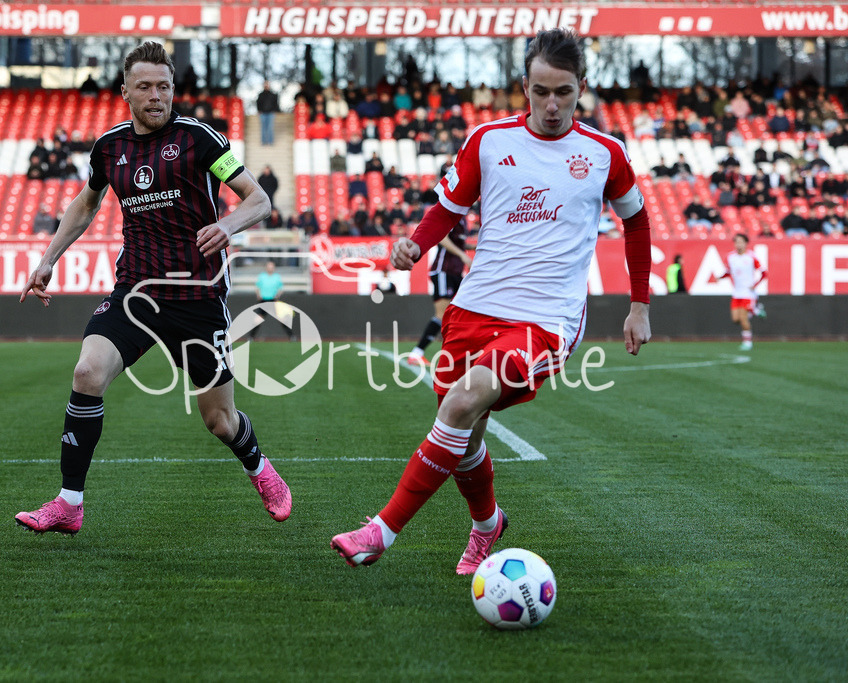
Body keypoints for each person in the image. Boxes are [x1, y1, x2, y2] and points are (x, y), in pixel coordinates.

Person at [331, 29, 651, 574]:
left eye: (564, 93)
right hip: (474, 306)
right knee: (462, 431)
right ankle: (487, 525)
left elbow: (636, 222)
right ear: (525, 87)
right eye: (541, 91)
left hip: (544, 319)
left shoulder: (605, 154)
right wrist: (417, 243)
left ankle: (379, 532)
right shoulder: (488, 140)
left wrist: (638, 304)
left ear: (582, 88)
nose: (553, 105)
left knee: (460, 404)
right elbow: (447, 208)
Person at [15, 41, 291, 535]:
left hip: (197, 297)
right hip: (136, 292)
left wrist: (228, 225)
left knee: (220, 421)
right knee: (87, 372)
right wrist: (48, 258)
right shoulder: (110, 148)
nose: (156, 95)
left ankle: (259, 467)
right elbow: (86, 203)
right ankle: (69, 504)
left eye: (164, 86)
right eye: (144, 87)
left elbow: (258, 199)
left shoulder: (199, 140)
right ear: (125, 92)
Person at [406, 218, 472, 366]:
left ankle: (460, 355)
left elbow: (458, 244)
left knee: (461, 313)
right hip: (444, 270)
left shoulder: (462, 219)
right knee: (442, 314)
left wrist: (473, 247)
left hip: (455, 272)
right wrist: (463, 255)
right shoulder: (454, 214)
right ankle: (416, 353)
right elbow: (442, 238)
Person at [720, 234, 766, 351]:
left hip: (748, 293)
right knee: (735, 319)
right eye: (736, 242)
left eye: (741, 242)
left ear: (746, 243)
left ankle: (747, 342)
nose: (738, 244)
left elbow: (764, 273)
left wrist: (755, 285)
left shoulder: (751, 257)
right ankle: (755, 310)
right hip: (737, 293)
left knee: (743, 318)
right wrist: (719, 278)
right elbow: (728, 272)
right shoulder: (731, 257)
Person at [251, 260, 294, 341]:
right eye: (269, 267)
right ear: (266, 268)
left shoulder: (277, 277)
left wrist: (277, 295)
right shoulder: (262, 276)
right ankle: (251, 337)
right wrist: (258, 295)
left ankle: (291, 336)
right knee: (258, 319)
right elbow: (257, 287)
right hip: (263, 301)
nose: (270, 268)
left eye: (272, 267)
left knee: (282, 319)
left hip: (273, 301)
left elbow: (281, 288)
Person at [256, 81, 280, 146]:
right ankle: (263, 142)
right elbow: (258, 103)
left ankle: (270, 142)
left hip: (270, 113)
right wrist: (259, 110)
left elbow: (275, 103)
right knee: (263, 128)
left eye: (267, 85)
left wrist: (274, 110)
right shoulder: (260, 95)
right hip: (263, 113)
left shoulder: (273, 95)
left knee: (270, 128)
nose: (266, 86)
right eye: (265, 85)